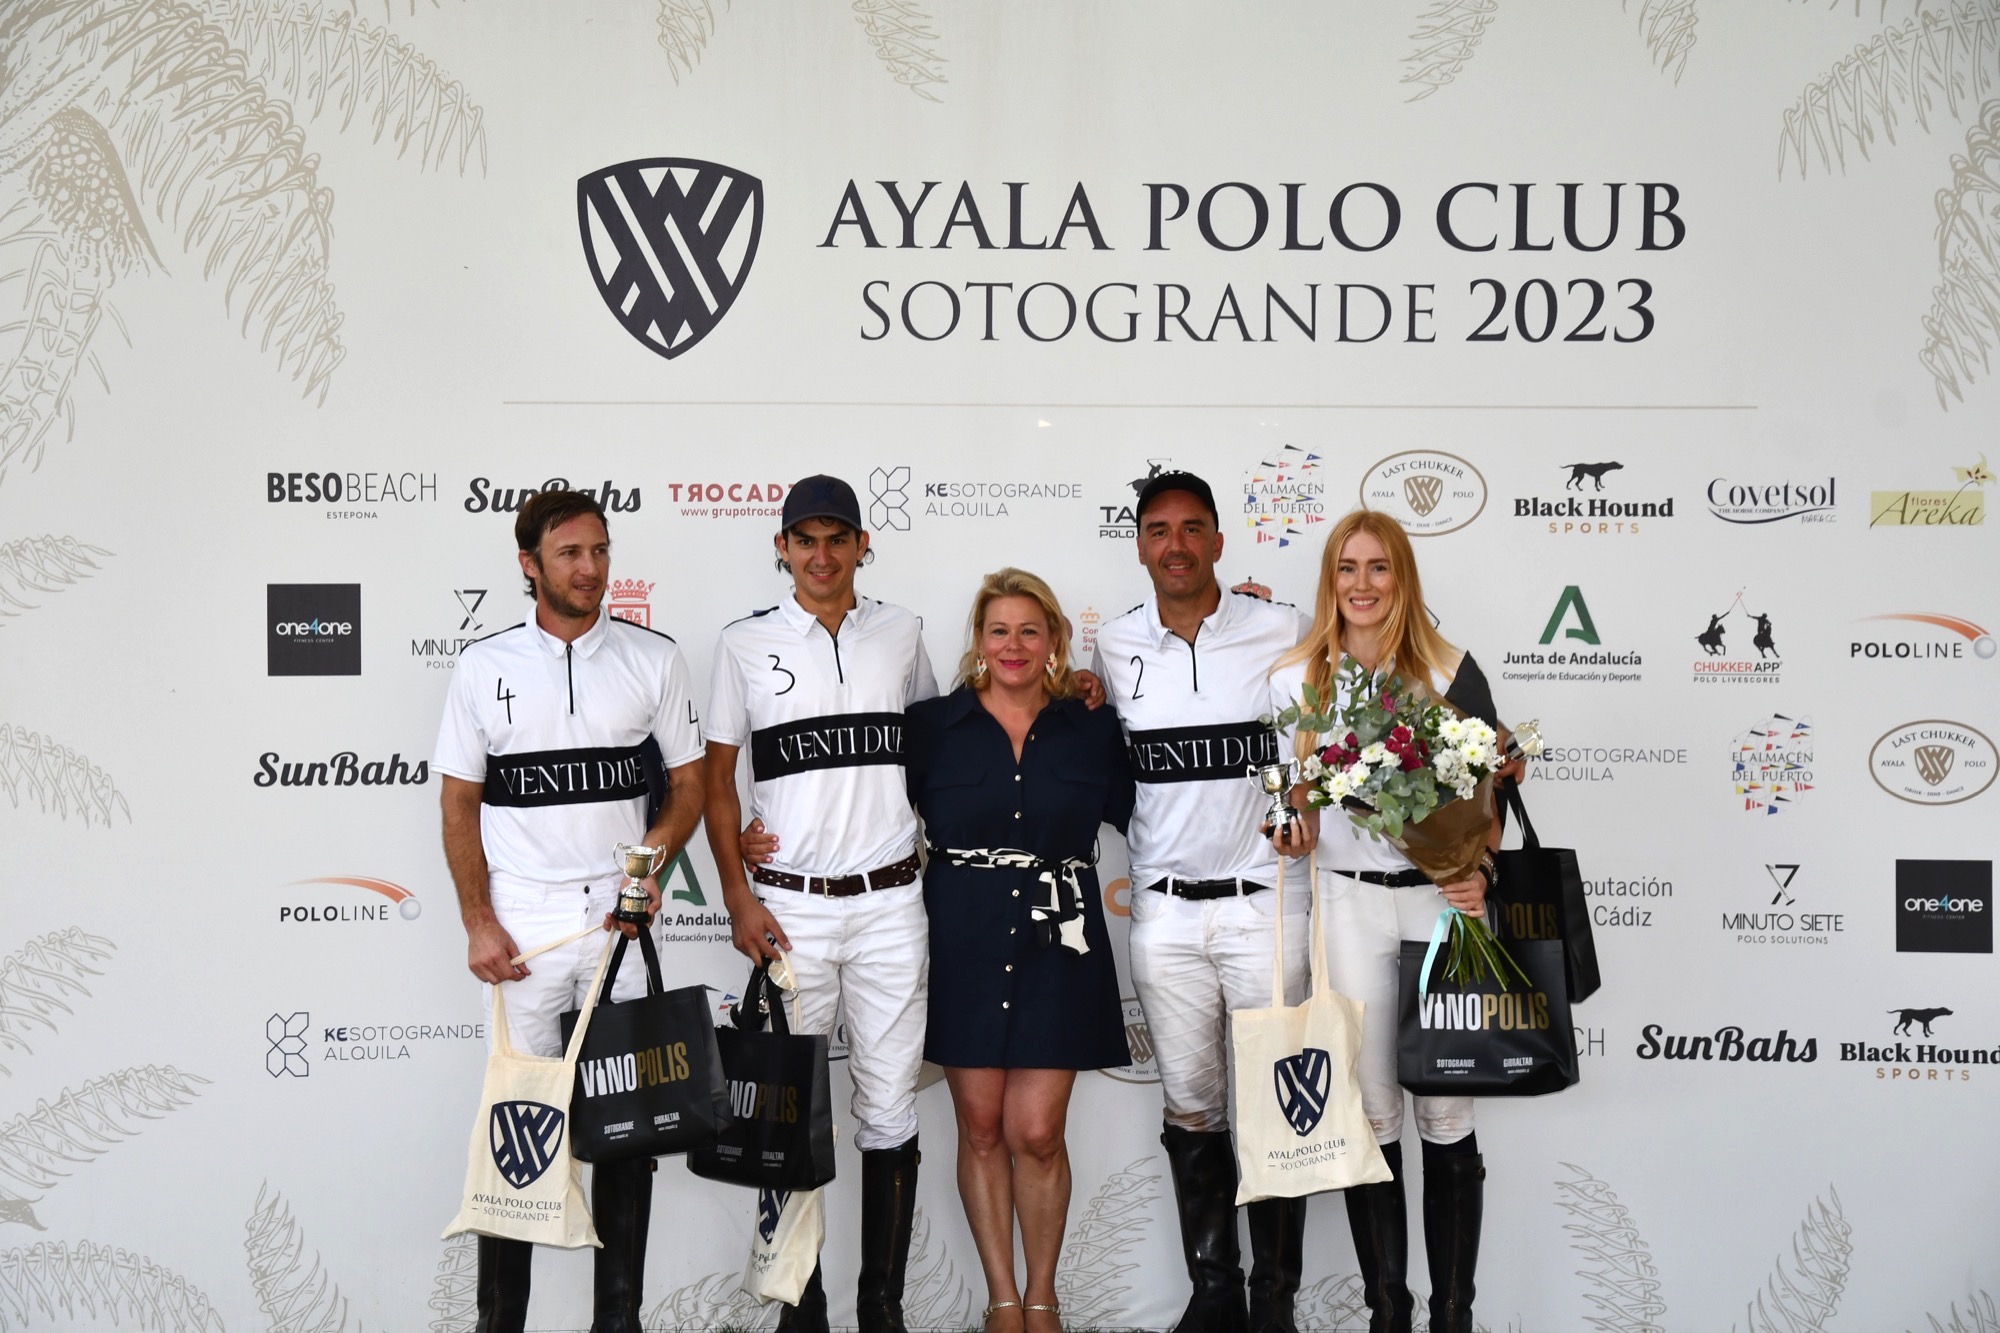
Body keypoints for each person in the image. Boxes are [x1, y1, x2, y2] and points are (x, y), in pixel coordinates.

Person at [435, 487, 707, 1333]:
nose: (590, 569)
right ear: (530, 564)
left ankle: (618, 1320)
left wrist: (646, 869)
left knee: (627, 1126)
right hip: (524, 929)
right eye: (570, 554)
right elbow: (458, 804)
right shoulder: (484, 666)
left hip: (616, 924)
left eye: (600, 551)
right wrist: (479, 920)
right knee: (518, 1126)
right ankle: (500, 1322)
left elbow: (690, 787)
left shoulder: (653, 658)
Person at [705, 475, 939, 1333]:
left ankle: (882, 1309)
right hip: (791, 909)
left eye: (837, 537)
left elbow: (937, 748)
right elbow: (716, 778)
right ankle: (801, 1309)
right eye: (805, 539)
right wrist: (736, 888)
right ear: (783, 548)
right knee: (789, 1106)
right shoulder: (742, 643)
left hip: (890, 902)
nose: (822, 554)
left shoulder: (902, 631)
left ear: (862, 545)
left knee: (890, 1107)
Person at [1268, 509, 1507, 1333]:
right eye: (1347, 568)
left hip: (1439, 903)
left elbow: (1491, 800)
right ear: (1329, 580)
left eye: (1379, 567)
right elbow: (1292, 806)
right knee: (1373, 1113)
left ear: (1402, 577)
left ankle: (1454, 1315)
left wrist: (1478, 870)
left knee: (1447, 1109)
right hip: (1347, 901)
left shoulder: (1449, 668)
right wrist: (1292, 830)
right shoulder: (1297, 678)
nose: (1362, 584)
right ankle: (1387, 1314)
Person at [1090, 471, 1317, 1333]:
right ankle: (1216, 1294)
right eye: (1159, 530)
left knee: (1278, 1101)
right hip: (1166, 913)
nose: (1176, 545)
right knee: (1191, 1106)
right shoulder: (1114, 645)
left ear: (1219, 540)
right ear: (1139, 544)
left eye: (1192, 528)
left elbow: (1327, 738)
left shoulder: (1282, 628)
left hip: (1267, 904)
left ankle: (1274, 1302)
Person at [904, 569, 1134, 1333]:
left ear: (1055, 640)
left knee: (1036, 1131)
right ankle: (1004, 1299)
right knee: (979, 1127)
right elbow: (866, 809)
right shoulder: (932, 727)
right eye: (999, 630)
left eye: (1029, 630)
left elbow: (1147, 810)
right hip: (963, 937)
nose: (1013, 645)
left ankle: (1044, 1296)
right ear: (978, 640)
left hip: (1058, 940)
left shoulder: (1091, 727)